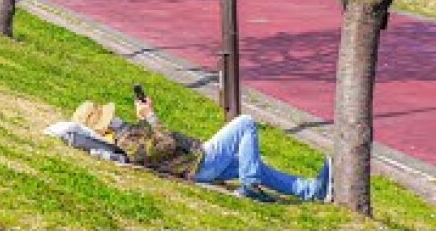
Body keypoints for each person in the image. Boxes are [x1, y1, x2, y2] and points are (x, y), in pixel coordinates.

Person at [72, 98, 331, 203]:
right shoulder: (126, 142)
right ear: (106, 126)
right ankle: (250, 186)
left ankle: (311, 190)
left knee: (249, 161)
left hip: (196, 161)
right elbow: (166, 145)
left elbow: (157, 146)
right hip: (199, 163)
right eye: (110, 117)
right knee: (246, 123)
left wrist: (143, 117)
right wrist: (150, 116)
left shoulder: (126, 135)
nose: (115, 117)